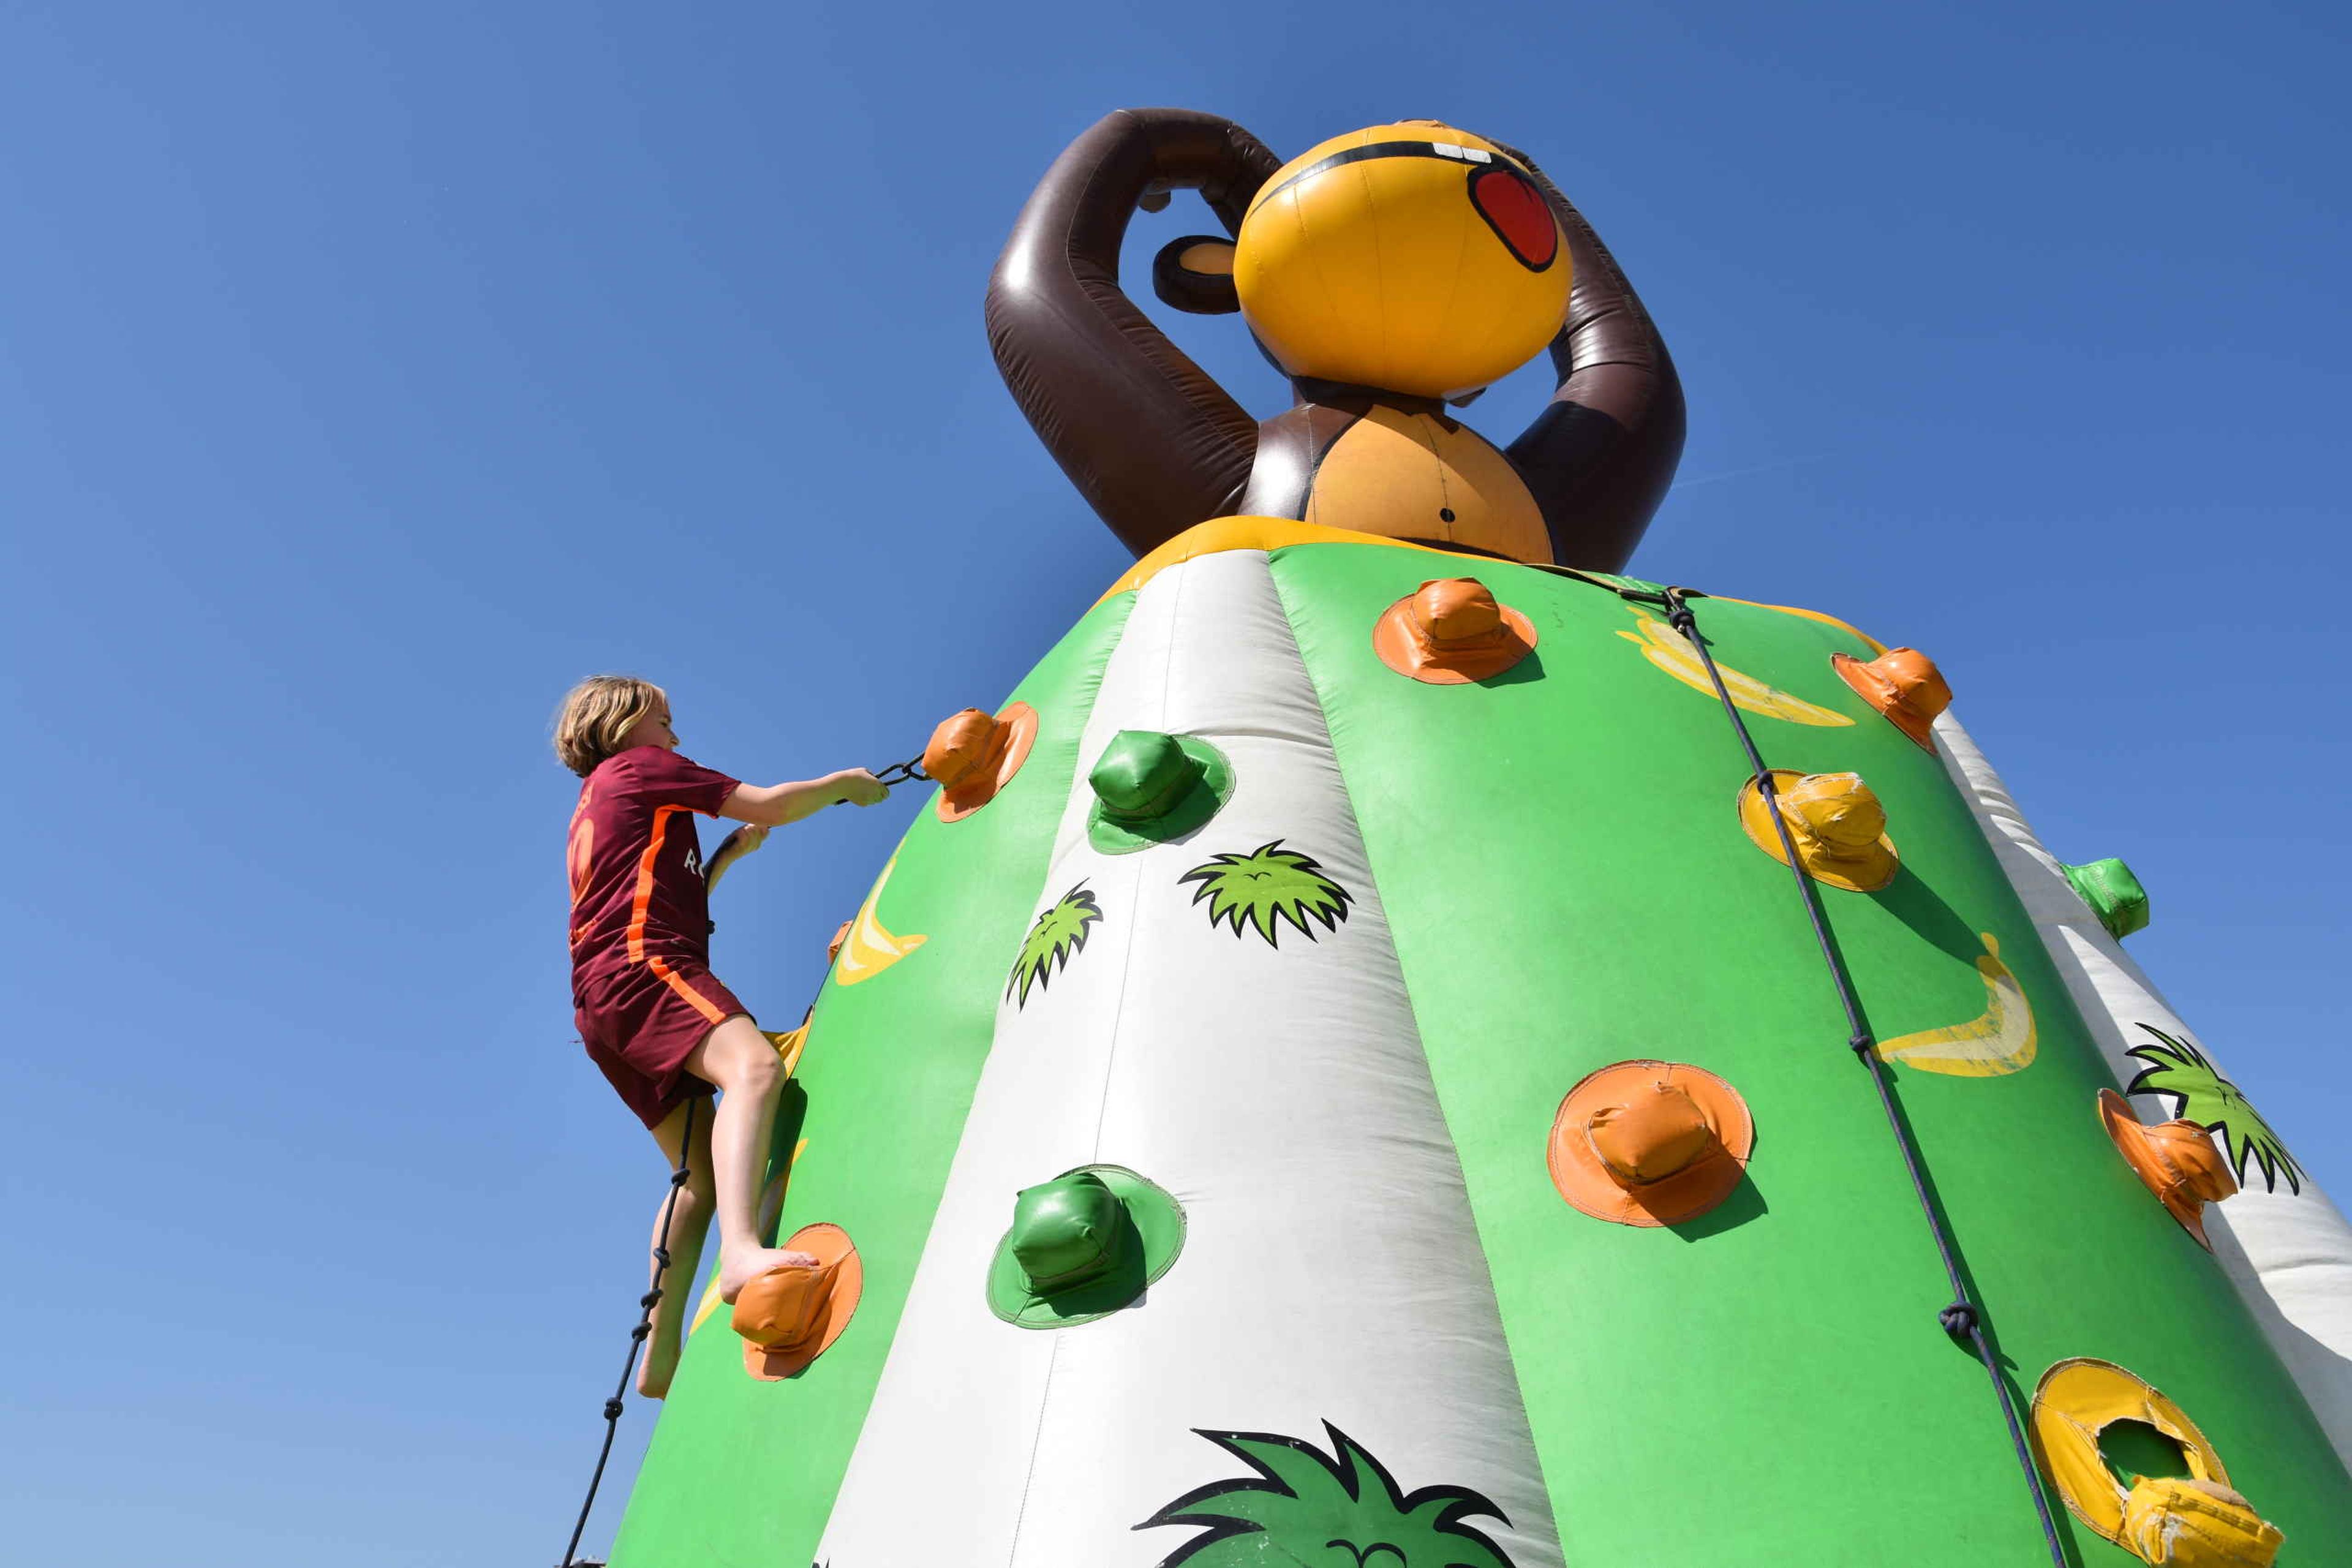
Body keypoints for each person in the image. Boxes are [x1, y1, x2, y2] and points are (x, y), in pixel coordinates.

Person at [554, 674, 889, 1397]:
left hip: (601, 1004)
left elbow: (662, 897)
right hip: (643, 968)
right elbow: (770, 801)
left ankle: (660, 1351)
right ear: (624, 723)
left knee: (695, 1178)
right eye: (664, 719)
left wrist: (725, 860)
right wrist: (843, 786)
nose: (676, 734)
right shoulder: (642, 769)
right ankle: (742, 1252)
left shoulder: (602, 801)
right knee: (757, 1070)